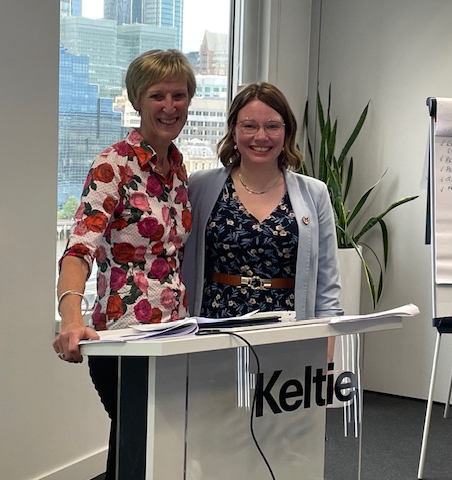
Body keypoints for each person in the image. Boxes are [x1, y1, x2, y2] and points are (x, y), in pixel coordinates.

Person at [52, 49, 196, 479]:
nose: (169, 106)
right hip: (125, 337)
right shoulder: (113, 164)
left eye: (179, 95)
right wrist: (71, 321)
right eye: (157, 95)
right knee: (140, 448)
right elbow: (78, 250)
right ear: (137, 101)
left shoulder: (179, 169)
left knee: (150, 447)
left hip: (176, 332)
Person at [183, 82, 343, 325]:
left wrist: (326, 355)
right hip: (215, 329)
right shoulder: (200, 187)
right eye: (249, 126)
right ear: (234, 130)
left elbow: (327, 285)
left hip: (287, 331)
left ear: (287, 132)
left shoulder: (314, 193)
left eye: (272, 126)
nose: (261, 136)